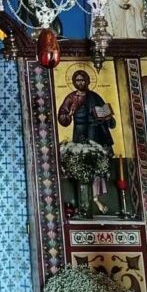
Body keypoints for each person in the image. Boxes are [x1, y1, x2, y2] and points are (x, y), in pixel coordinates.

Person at [57, 68, 115, 212]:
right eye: (77, 80)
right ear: (73, 82)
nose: (80, 83)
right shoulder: (71, 98)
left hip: (95, 133)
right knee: (81, 162)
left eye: (82, 80)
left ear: (87, 81)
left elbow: (108, 117)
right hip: (79, 132)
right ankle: (83, 201)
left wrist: (107, 117)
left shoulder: (95, 96)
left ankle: (96, 197)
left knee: (95, 164)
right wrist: (69, 114)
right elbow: (62, 117)